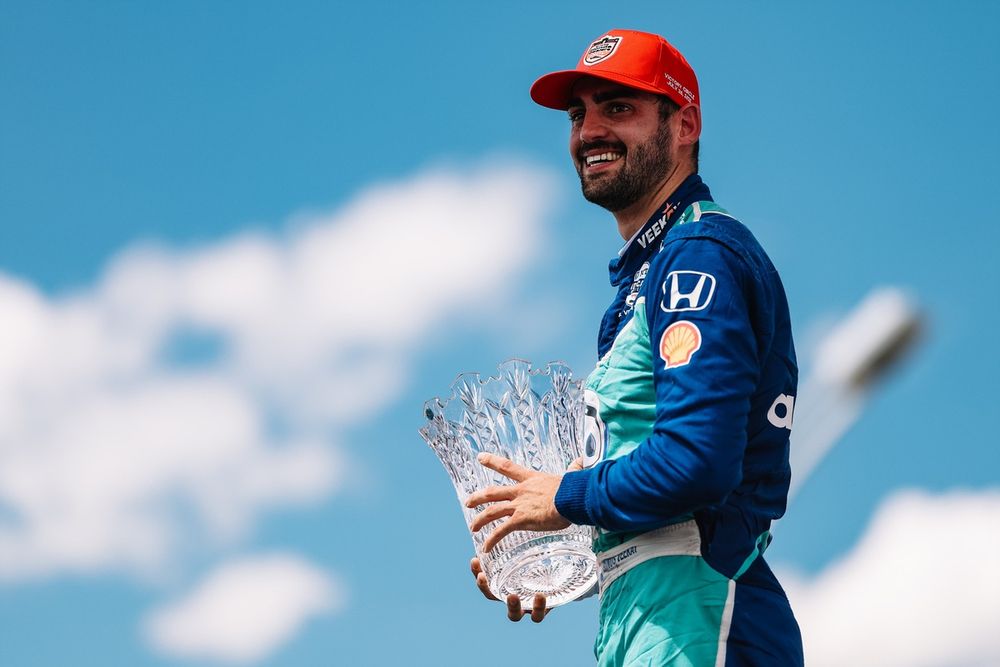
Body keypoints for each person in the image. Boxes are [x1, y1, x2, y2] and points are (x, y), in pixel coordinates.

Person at [465, 29, 804, 665]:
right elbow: (655, 518)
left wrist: (561, 497)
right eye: (578, 114)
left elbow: (697, 463)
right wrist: (545, 552)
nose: (589, 131)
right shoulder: (647, 276)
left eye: (618, 108)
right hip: (652, 617)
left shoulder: (695, 256)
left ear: (685, 126)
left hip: (703, 615)